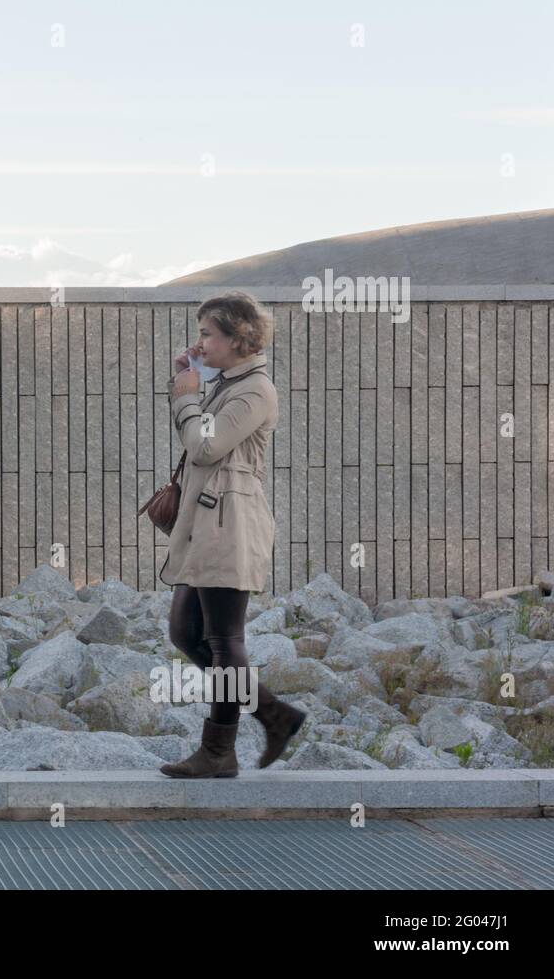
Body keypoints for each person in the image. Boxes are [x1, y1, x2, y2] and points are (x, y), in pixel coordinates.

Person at [156, 291, 305, 778]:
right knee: (185, 633)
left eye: (207, 334)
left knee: (223, 640)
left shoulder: (255, 390)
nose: (200, 342)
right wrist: (186, 384)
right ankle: (274, 714)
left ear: (238, 337)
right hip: (207, 523)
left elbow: (205, 447)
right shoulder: (228, 384)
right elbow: (196, 433)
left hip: (230, 524)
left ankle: (219, 751)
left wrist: (187, 395)